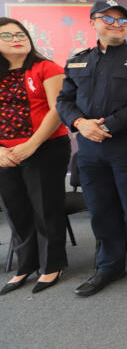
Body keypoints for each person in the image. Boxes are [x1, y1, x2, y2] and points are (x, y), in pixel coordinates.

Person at [56, 0, 127, 297]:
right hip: (89, 149)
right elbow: (64, 101)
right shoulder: (78, 60)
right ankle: (109, 266)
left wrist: (108, 125)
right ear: (93, 22)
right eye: (109, 19)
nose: (117, 24)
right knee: (100, 210)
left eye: (122, 20)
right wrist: (80, 123)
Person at [0, 17, 71, 295]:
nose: (17, 38)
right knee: (16, 211)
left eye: (20, 34)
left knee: (46, 208)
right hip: (6, 154)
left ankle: (52, 265)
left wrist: (31, 145)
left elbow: (57, 110)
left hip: (45, 148)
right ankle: (24, 266)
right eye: (7, 36)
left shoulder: (47, 67)